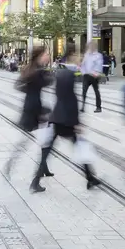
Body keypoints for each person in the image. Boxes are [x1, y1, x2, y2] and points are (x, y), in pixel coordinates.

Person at [32, 47, 98, 193]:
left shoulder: (61, 72)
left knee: (49, 150)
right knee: (79, 146)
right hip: (66, 119)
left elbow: (61, 97)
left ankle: (35, 181)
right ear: (72, 56)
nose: (80, 58)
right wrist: (77, 121)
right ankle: (90, 177)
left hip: (57, 117)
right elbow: (71, 99)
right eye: (78, 55)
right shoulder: (69, 74)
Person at [6, 45, 52, 176]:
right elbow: (48, 82)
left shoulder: (31, 69)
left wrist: (29, 91)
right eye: (45, 54)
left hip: (31, 106)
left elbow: (18, 86)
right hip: (36, 109)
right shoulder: (38, 72)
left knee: (43, 138)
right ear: (39, 56)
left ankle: (43, 168)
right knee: (38, 140)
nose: (47, 56)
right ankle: (34, 172)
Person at [79, 41, 104, 113]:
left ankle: (98, 107)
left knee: (96, 91)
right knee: (84, 91)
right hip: (86, 76)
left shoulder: (98, 55)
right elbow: (83, 64)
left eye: (92, 46)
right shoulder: (86, 55)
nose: (90, 48)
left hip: (94, 76)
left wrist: (96, 73)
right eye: (89, 46)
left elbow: (99, 65)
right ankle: (83, 107)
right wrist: (83, 73)